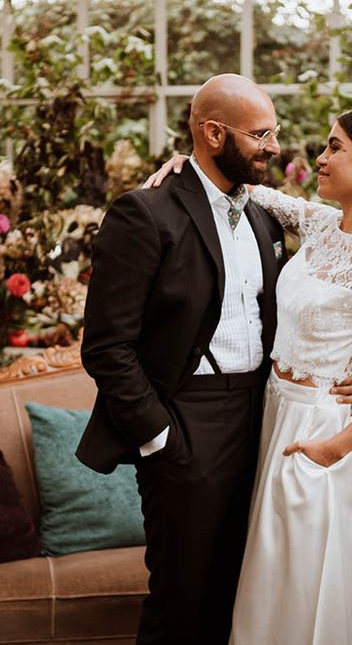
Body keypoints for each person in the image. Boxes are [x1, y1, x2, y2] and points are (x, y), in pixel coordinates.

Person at [75, 73, 285, 644]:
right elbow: (105, 345)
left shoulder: (267, 217)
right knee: (183, 599)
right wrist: (158, 435)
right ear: (214, 134)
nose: (274, 146)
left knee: (243, 589)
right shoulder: (145, 213)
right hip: (186, 421)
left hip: (262, 418)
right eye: (261, 134)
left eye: (275, 132)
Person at [145, 111, 352, 644]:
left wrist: (334, 448)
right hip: (272, 414)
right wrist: (188, 169)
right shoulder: (321, 223)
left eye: (335, 147)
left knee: (310, 580)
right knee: (265, 578)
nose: (319, 159)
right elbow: (242, 191)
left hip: (326, 432)